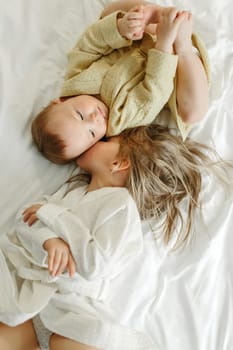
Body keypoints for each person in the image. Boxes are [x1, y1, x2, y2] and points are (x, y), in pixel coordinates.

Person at [0, 122, 225, 350]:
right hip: (32, 293)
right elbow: (28, 220)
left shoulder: (120, 205)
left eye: (106, 141)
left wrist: (55, 217)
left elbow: (96, 263)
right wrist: (49, 240)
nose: (97, 139)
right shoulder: (74, 192)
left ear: (119, 163)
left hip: (74, 308)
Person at [31, 1, 209, 164]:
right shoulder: (119, 120)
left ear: (60, 101)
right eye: (92, 133)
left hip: (138, 36)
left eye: (80, 115)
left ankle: (155, 14)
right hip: (170, 63)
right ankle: (183, 44)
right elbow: (153, 92)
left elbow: (89, 44)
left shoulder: (76, 77)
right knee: (193, 112)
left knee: (108, 13)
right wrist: (164, 44)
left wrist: (122, 28)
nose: (95, 119)